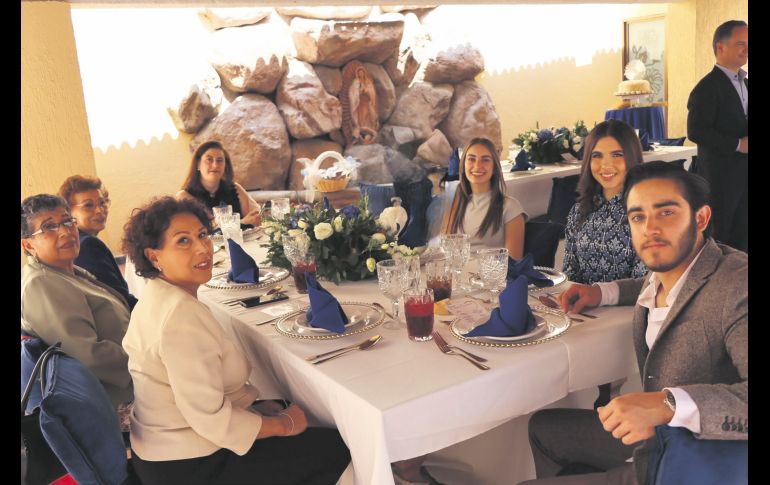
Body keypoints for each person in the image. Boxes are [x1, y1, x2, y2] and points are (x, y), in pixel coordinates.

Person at [521, 161, 747, 485]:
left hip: (697, 462)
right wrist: (602, 292)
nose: (650, 228)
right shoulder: (670, 269)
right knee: (544, 428)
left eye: (666, 212)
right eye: (638, 217)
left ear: (700, 218)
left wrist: (668, 404)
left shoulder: (737, 285)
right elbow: (645, 284)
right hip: (654, 443)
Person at [121, 196, 350, 485]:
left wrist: (255, 410)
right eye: (183, 241)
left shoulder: (159, 295)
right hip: (192, 464)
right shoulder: (178, 318)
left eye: (202, 235)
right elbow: (210, 420)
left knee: (297, 413)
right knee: (340, 447)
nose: (202, 248)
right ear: (154, 257)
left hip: (165, 449)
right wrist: (283, 424)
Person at [20, 194, 133, 409]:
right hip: (114, 402)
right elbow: (88, 356)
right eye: (49, 227)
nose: (65, 231)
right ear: (28, 244)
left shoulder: (66, 271)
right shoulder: (41, 283)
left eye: (67, 221)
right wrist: (149, 361)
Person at [687, 20, 748, 252]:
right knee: (719, 240)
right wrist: (737, 144)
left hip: (744, 176)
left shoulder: (746, 83)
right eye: (741, 44)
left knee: (743, 238)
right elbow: (696, 131)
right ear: (720, 47)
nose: (746, 49)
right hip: (720, 179)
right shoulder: (706, 87)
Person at [563, 119, 647, 285]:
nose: (605, 165)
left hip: (632, 302)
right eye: (597, 156)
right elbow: (570, 275)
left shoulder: (646, 213)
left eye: (617, 155)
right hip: (580, 301)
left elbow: (644, 285)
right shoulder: (578, 211)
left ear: (632, 156)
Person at [58, 175, 138, 310]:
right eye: (88, 205)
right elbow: (120, 300)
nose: (100, 210)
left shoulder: (77, 242)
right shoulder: (88, 245)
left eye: (102, 203)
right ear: (69, 212)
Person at [441, 137, 526, 259]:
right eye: (471, 159)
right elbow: (446, 251)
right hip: (457, 270)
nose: (477, 166)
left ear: (495, 168)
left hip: (493, 271)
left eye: (485, 160)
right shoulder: (456, 204)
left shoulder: (511, 207)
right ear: (463, 165)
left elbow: (514, 262)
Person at [176, 140, 262, 228]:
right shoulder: (184, 196)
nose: (215, 165)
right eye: (209, 160)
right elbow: (208, 227)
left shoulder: (236, 189)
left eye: (220, 160)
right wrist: (242, 222)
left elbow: (256, 216)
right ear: (198, 164)